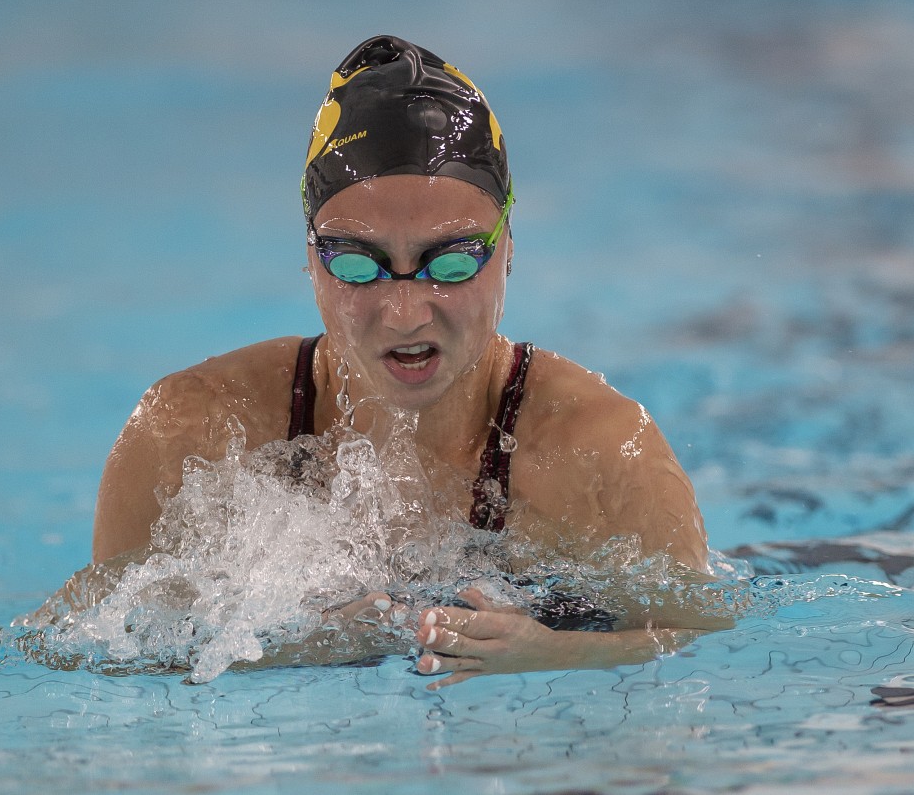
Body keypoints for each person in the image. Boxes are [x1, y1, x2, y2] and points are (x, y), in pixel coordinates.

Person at [92, 35, 725, 689]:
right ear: (311, 258)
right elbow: (84, 651)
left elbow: (702, 643)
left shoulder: (603, 452)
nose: (405, 313)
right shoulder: (187, 434)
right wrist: (294, 644)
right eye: (357, 265)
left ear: (508, 246)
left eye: (450, 262)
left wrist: (556, 651)